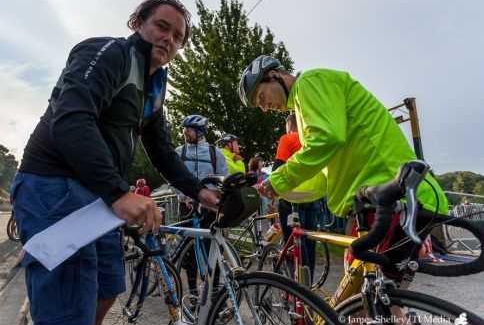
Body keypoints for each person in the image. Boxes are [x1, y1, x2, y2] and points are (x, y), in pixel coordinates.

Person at [10, 0, 218, 325]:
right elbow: (72, 118)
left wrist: (199, 191)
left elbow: (162, 150)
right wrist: (119, 192)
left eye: (178, 36)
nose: (169, 39)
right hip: (54, 185)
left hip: (98, 198)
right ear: (137, 23)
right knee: (65, 312)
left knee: (106, 287)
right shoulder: (110, 53)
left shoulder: (155, 84)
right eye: (161, 27)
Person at [238, 55, 448, 278]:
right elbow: (322, 178)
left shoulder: (309, 83)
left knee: (367, 296)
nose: (264, 108)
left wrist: (279, 180)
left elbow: (326, 139)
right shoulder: (304, 103)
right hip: (384, 198)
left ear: (273, 75)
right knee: (380, 296)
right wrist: (281, 191)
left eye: (261, 97)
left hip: (388, 195)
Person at [175, 114, 228, 296]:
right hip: (187, 207)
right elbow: (173, 178)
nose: (184, 132)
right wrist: (183, 196)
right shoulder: (179, 152)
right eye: (184, 129)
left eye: (188, 129)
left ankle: (214, 293)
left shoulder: (215, 153)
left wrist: (216, 198)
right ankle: (192, 293)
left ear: (199, 132)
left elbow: (223, 179)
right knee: (188, 252)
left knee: (213, 247)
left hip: (209, 209)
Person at [272, 113, 329, 281]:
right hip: (313, 198)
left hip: (291, 199)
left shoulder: (287, 139)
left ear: (290, 125)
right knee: (309, 243)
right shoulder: (312, 140)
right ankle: (307, 285)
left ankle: (294, 287)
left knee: (293, 245)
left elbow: (277, 169)